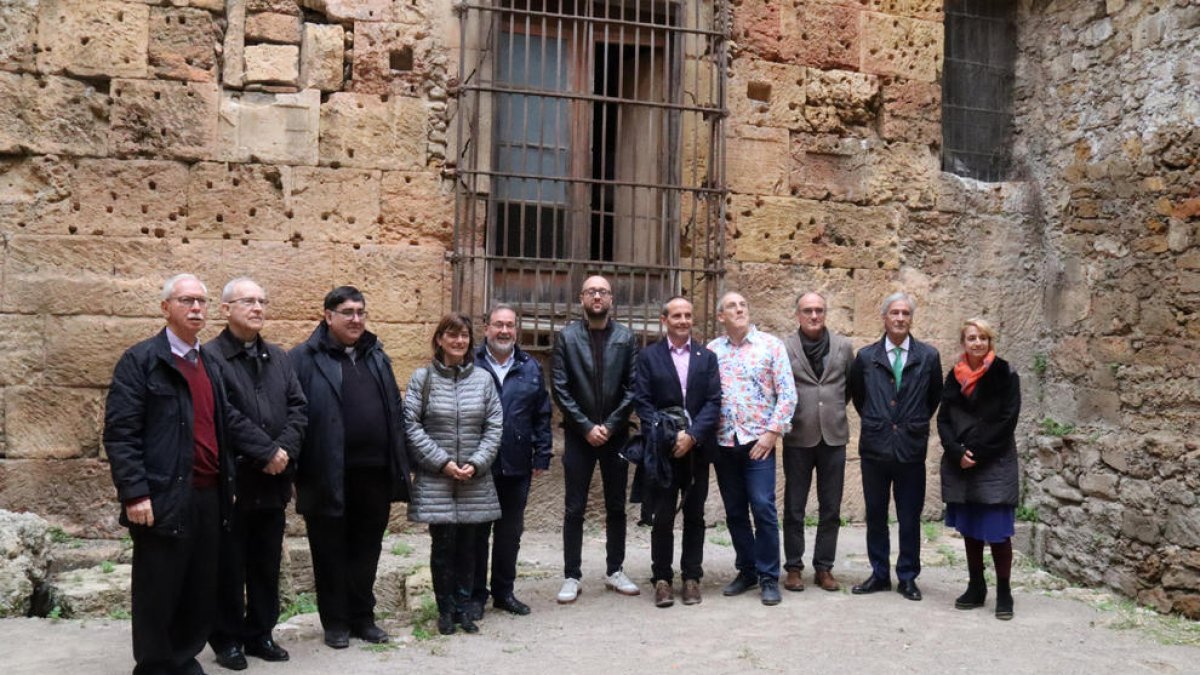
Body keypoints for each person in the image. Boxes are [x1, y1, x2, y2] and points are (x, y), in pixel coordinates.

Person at [104, 273, 243, 675]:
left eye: (201, 301)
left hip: (208, 494)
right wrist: (134, 493)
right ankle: (154, 665)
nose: (196, 308)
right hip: (162, 495)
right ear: (166, 308)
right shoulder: (142, 360)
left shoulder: (209, 362)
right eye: (186, 301)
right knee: (158, 588)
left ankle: (183, 658)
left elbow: (221, 424)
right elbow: (121, 433)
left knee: (199, 585)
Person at [289, 286, 411, 649]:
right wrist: (295, 471)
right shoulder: (302, 359)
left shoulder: (376, 356)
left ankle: (363, 617)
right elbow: (294, 415)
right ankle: (336, 622)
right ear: (328, 316)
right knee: (329, 550)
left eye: (361, 312)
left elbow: (394, 411)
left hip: (373, 473)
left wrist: (401, 462)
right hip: (325, 472)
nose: (356, 319)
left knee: (367, 549)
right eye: (347, 312)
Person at [205, 278, 307, 669]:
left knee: (266, 563)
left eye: (262, 301)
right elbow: (221, 412)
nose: (258, 307)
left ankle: (260, 632)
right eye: (248, 301)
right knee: (229, 565)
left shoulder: (279, 357)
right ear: (226, 308)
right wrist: (265, 451)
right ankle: (226, 638)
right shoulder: (211, 357)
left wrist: (284, 451)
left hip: (273, 480)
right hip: (235, 479)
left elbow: (299, 407)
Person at [406, 312, 503, 635]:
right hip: (438, 479)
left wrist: (476, 462)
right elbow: (411, 425)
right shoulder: (423, 379)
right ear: (439, 339)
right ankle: (445, 610)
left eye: (463, 336)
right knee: (443, 546)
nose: (459, 341)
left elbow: (494, 426)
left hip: (475, 478)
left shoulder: (483, 380)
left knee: (471, 547)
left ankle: (465, 609)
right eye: (451, 335)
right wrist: (443, 462)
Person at [849, 292, 943, 602]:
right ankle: (879, 573)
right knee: (876, 513)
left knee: (909, 515)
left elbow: (933, 398)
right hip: (875, 448)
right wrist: (881, 421)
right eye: (894, 313)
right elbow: (860, 398)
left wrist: (909, 423)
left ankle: (907, 576)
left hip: (910, 449)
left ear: (911, 318)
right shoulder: (866, 357)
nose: (900, 318)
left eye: (905, 313)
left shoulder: (928, 357)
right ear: (884, 318)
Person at [552, 275, 640, 603]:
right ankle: (571, 575)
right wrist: (587, 426)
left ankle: (615, 569)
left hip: (616, 437)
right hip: (579, 436)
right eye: (591, 292)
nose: (597, 297)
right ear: (582, 298)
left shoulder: (627, 338)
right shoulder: (567, 338)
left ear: (612, 299)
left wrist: (612, 424)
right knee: (574, 508)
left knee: (616, 506)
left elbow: (633, 387)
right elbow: (560, 387)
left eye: (603, 292)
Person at [707, 292, 797, 606]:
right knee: (735, 511)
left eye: (743, 304)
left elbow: (787, 394)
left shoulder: (771, 346)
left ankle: (769, 577)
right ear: (721, 316)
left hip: (759, 443)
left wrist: (772, 434)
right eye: (732, 306)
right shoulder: (712, 351)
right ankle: (746, 570)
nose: (740, 309)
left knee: (763, 507)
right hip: (724, 442)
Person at [633, 296, 722, 608]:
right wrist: (667, 435)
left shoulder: (706, 357)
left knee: (695, 515)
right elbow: (642, 402)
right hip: (663, 451)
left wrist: (693, 436)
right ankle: (661, 579)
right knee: (663, 517)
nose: (683, 321)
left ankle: (692, 577)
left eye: (687, 315)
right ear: (664, 320)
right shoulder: (648, 357)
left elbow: (714, 401)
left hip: (697, 451)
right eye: (677, 316)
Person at [469, 304, 552, 618]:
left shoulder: (530, 366)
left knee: (509, 533)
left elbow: (542, 414)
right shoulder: (471, 363)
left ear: (517, 329)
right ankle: (477, 595)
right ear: (486, 328)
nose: (504, 331)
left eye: (510, 325)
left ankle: (504, 592)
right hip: (480, 464)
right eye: (497, 324)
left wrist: (542, 453)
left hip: (517, 465)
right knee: (478, 532)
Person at [938, 318, 1021, 620]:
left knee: (998, 532)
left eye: (982, 338)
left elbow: (1007, 419)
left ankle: (1004, 591)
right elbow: (944, 418)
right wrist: (956, 451)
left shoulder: (1005, 373)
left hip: (994, 461)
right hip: (962, 462)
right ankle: (976, 585)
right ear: (964, 343)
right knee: (971, 528)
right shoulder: (954, 376)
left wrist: (979, 452)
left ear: (990, 342)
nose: (977, 343)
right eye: (971, 338)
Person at [781, 291, 854, 593]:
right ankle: (794, 567)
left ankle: (824, 567)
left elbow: (849, 387)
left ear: (826, 313)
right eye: (808, 311)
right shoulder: (785, 347)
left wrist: (830, 410)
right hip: (798, 435)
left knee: (831, 507)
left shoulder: (843, 346)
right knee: (794, 506)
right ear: (797, 314)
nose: (814, 316)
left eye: (819, 311)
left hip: (833, 437)